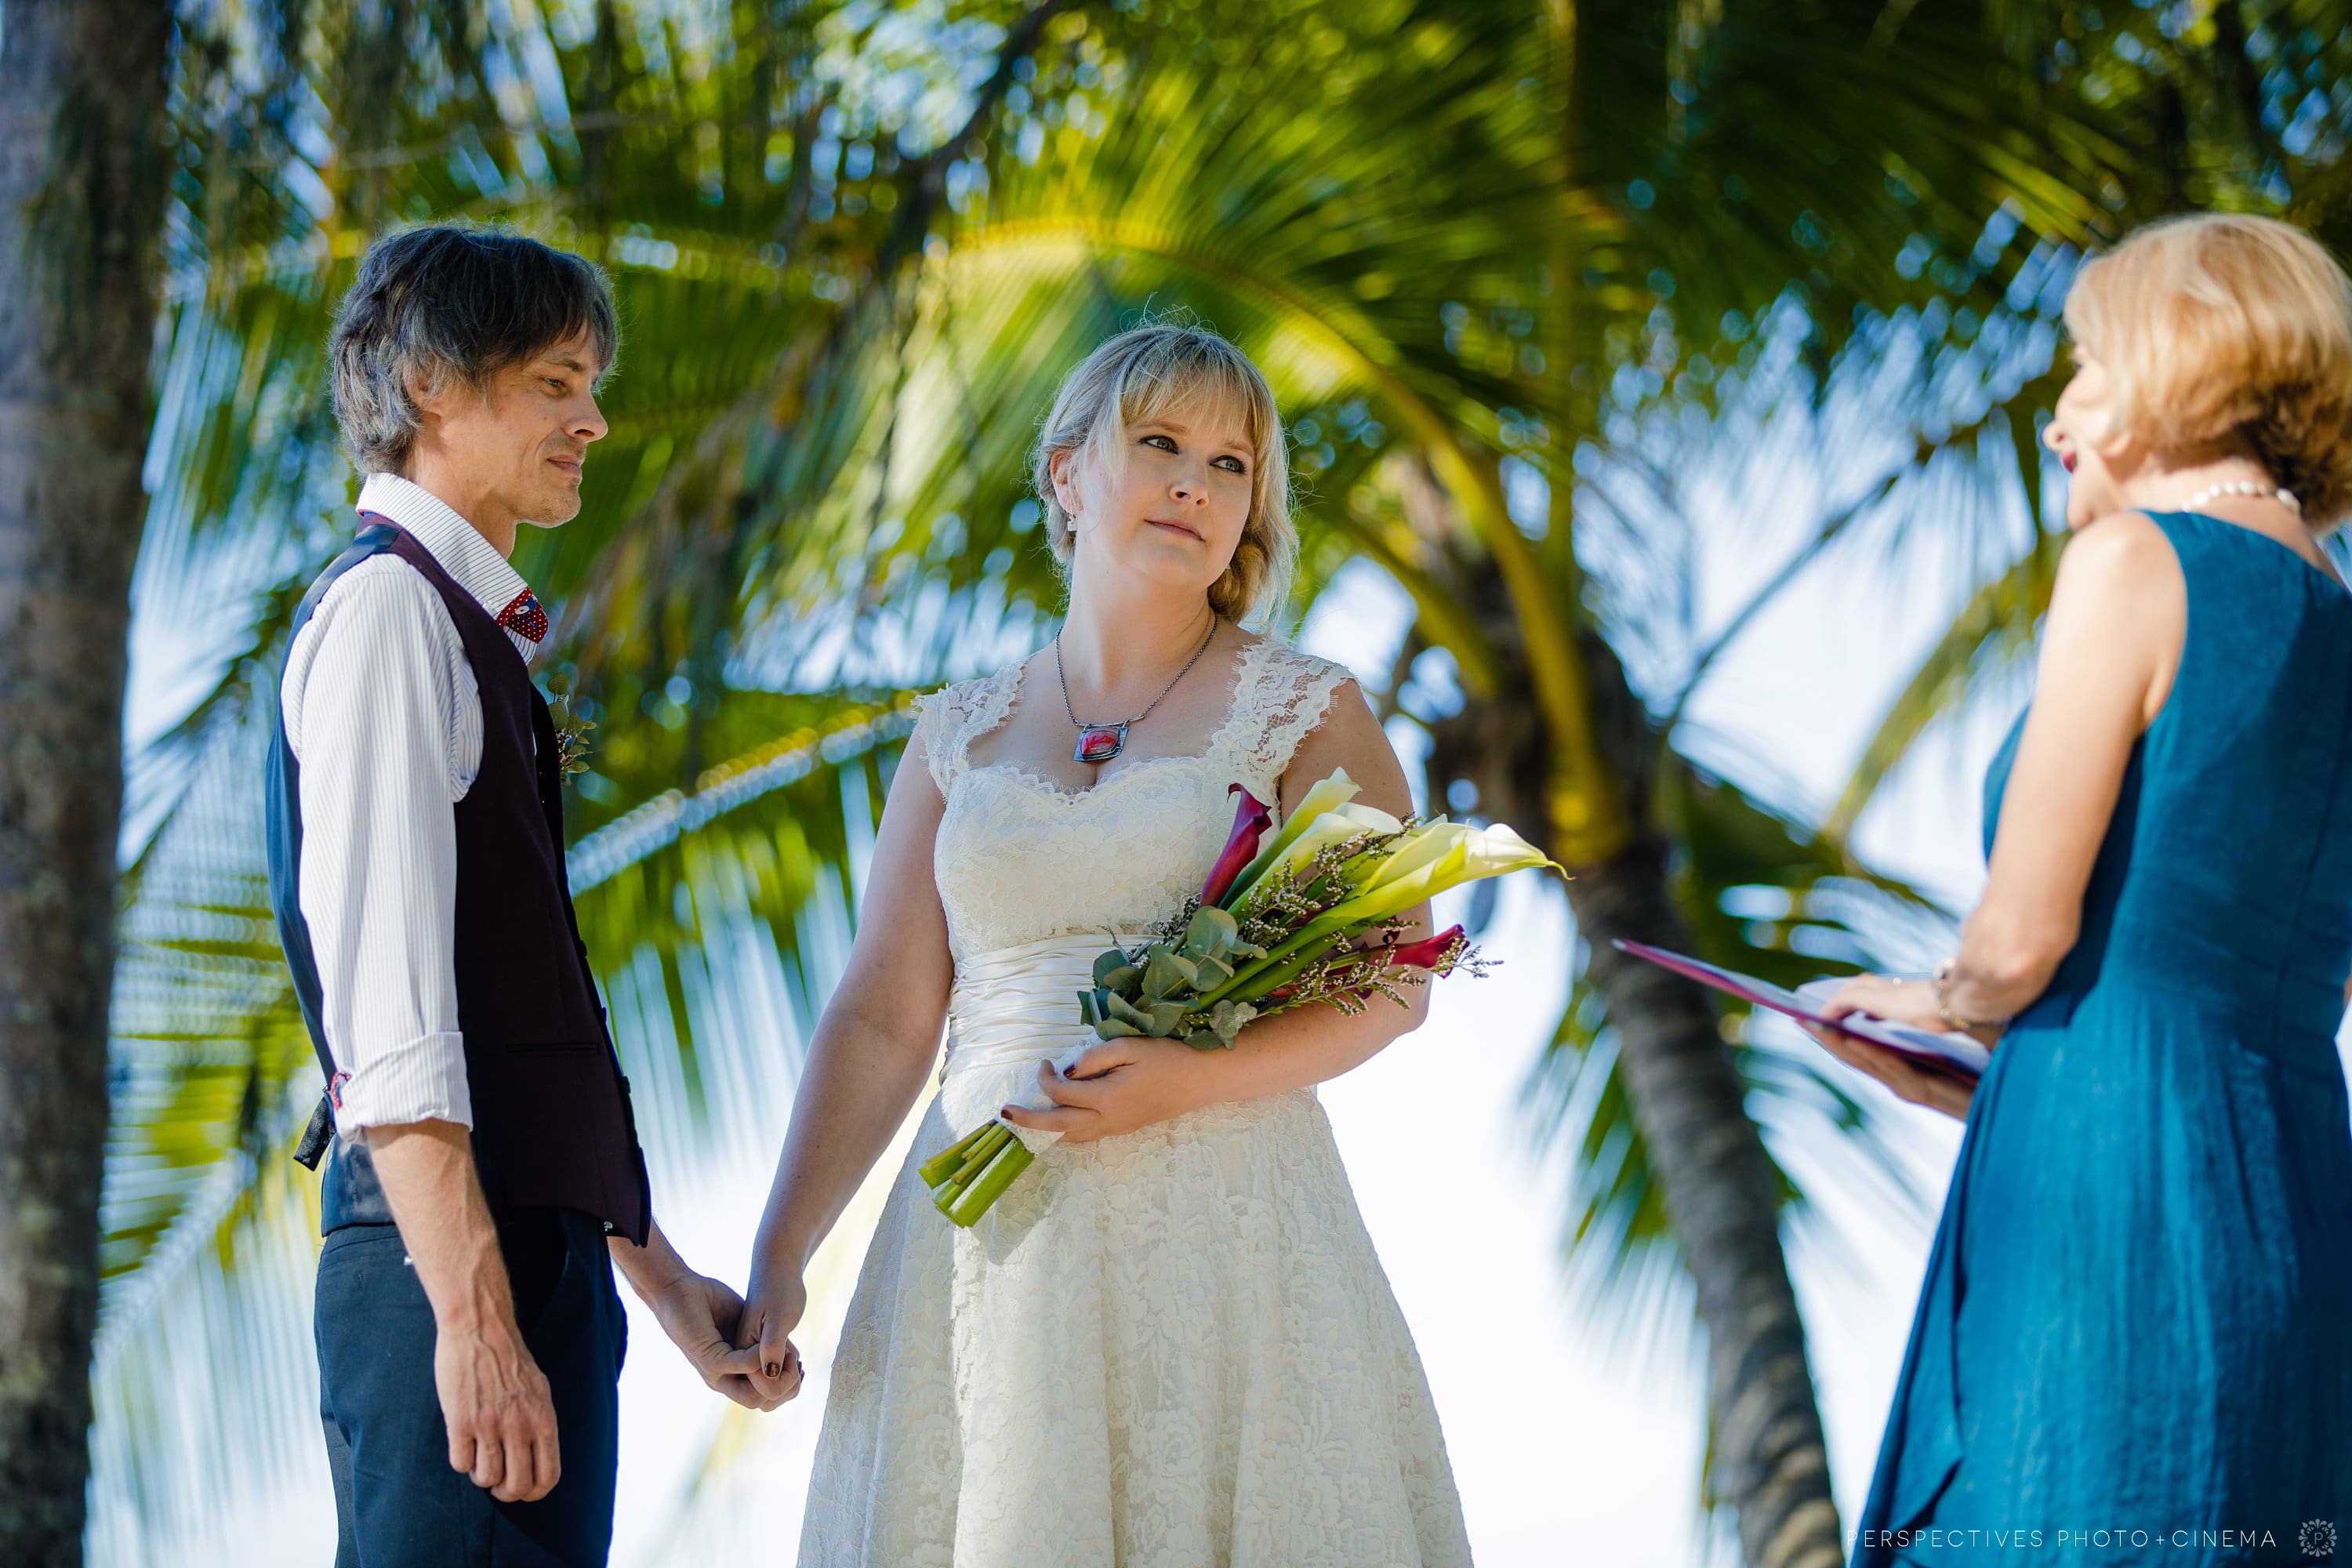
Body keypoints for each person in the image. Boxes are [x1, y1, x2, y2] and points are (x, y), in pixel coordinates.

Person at [736, 322, 1475, 1566]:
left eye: (1232, 464)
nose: (1196, 482)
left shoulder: (1309, 708)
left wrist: (1194, 1077)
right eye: (1160, 444)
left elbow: (1394, 978)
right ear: (1069, 475)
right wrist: (779, 1253)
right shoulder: (954, 737)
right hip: (987, 1232)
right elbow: (881, 1016)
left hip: (1230, 1220)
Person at [1805, 212, 2352, 1566]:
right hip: (2294, 1182)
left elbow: (2022, 940)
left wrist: (1929, 999)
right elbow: (2233, 969)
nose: (2058, 412)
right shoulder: (2338, 615)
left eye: (2089, 368)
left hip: (2103, 1197)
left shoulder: (2132, 562)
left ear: (2181, 365)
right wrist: (1981, 1076)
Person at [267, 224, 764, 1567]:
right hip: (452, 1275)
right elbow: (393, 1026)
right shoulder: (386, 616)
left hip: (519, 1266)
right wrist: (474, 1322)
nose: (594, 420)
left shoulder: (457, 630)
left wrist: (659, 1285)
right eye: (557, 381)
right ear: (432, 380)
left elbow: (521, 1016)